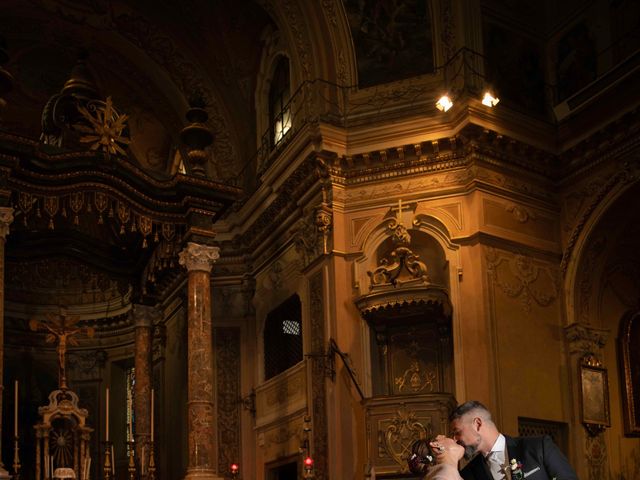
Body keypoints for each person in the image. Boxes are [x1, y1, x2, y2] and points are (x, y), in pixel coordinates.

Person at [449, 401, 578, 480]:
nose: (455, 439)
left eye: (457, 432)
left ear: (477, 424)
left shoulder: (539, 447)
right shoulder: (468, 474)